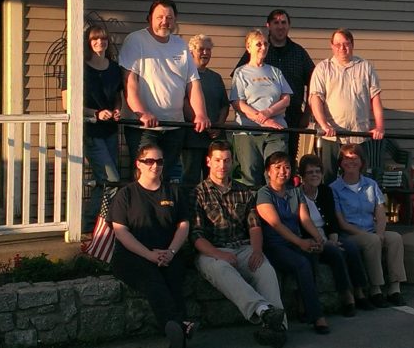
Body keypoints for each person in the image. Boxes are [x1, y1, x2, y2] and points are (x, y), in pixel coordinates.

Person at [190, 141, 288, 348]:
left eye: (226, 160)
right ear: (208, 161)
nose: (222, 165)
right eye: (217, 160)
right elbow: (196, 236)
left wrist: (257, 250)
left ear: (232, 161)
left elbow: (254, 226)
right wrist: (219, 253)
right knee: (222, 269)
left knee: (265, 270)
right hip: (212, 251)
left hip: (243, 247)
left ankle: (278, 329)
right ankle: (264, 311)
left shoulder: (244, 191)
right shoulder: (197, 194)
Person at [256, 152, 359, 335]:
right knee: (303, 262)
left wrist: (319, 240)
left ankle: (310, 305)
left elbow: (305, 219)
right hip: (276, 245)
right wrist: (301, 242)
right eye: (277, 167)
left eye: (286, 167)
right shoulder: (264, 193)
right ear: (268, 172)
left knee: (314, 252)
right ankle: (317, 316)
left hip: (295, 242)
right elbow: (275, 224)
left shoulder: (295, 192)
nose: (282, 171)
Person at [109, 145, 194, 348]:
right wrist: (149, 255)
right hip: (133, 255)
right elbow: (121, 232)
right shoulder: (126, 194)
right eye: (149, 161)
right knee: (152, 278)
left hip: (167, 253)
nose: (155, 165)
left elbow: (184, 225)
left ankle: (176, 334)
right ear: (139, 164)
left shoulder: (174, 192)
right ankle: (178, 325)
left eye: (159, 161)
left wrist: (171, 252)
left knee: (174, 276)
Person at [120, 0, 210, 182]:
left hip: (175, 127)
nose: (164, 21)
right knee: (144, 178)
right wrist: (142, 113)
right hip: (144, 127)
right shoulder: (136, 40)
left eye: (169, 17)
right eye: (159, 16)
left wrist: (200, 114)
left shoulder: (181, 45)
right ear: (149, 18)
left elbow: (193, 83)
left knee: (167, 178)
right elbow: (129, 83)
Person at [331, 143, 406, 308]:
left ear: (362, 161)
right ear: (341, 163)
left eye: (354, 157)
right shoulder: (334, 188)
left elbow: (380, 213)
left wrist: (379, 233)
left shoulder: (371, 184)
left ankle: (395, 288)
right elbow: (341, 222)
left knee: (395, 238)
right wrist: (371, 236)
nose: (350, 161)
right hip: (351, 234)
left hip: (372, 230)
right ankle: (376, 289)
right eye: (346, 158)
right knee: (371, 241)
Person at [234, 9, 316, 159]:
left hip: (291, 118)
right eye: (276, 23)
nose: (280, 26)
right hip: (254, 122)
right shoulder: (257, 51)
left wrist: (307, 113)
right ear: (268, 26)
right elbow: (238, 86)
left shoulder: (299, 53)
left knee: (286, 163)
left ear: (289, 26)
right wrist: (261, 116)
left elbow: (314, 82)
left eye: (283, 22)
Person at [298, 155, 374, 310]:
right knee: (335, 252)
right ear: (302, 176)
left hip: (328, 235)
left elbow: (332, 220)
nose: (314, 175)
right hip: (311, 238)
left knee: (350, 247)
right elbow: (301, 223)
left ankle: (359, 291)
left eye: (318, 171)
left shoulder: (326, 191)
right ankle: (347, 295)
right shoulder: (296, 195)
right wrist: (324, 241)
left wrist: (333, 238)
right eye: (310, 172)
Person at [309, 28, 384, 181]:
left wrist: (380, 126)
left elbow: (375, 98)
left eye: (346, 44)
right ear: (331, 46)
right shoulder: (323, 68)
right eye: (337, 44)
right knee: (328, 179)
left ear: (352, 45)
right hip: (332, 137)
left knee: (358, 180)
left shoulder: (365, 67)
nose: (342, 48)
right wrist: (324, 125)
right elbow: (315, 99)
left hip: (358, 136)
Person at [231, 29, 292, 187]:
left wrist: (268, 113)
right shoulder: (241, 72)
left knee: (276, 174)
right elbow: (238, 103)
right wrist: (261, 119)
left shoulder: (275, 72)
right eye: (258, 44)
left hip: (275, 131)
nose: (263, 47)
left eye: (265, 44)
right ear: (248, 46)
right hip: (249, 131)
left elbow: (286, 99)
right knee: (250, 176)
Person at [78, 25, 122, 232]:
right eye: (95, 39)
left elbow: (117, 98)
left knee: (104, 182)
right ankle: (94, 223)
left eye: (103, 39)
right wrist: (94, 114)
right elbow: (67, 103)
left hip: (111, 131)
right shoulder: (80, 67)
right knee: (111, 180)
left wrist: (116, 110)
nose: (99, 42)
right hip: (91, 131)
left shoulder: (114, 68)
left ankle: (92, 224)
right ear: (88, 43)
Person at [182, 34, 229, 188]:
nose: (205, 53)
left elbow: (224, 105)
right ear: (191, 52)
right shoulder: (184, 76)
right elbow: (182, 102)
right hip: (192, 137)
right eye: (201, 49)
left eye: (208, 50)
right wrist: (199, 121)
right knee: (191, 179)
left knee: (215, 179)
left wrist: (218, 125)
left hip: (215, 139)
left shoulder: (215, 77)